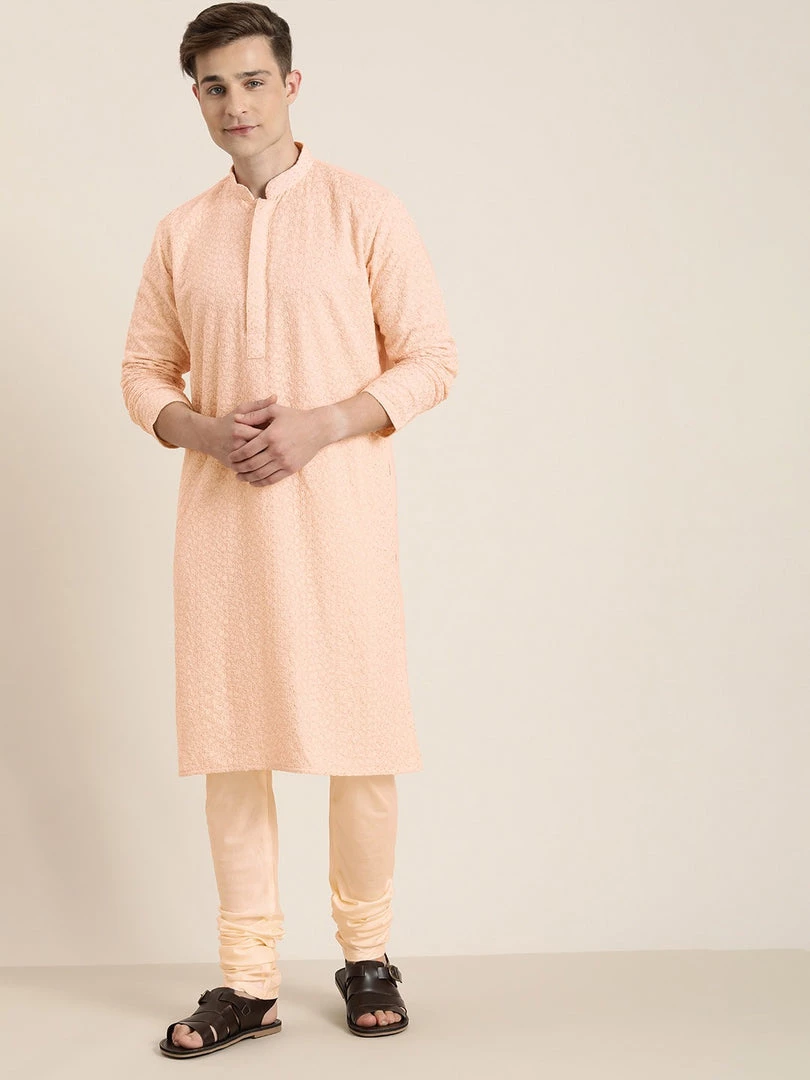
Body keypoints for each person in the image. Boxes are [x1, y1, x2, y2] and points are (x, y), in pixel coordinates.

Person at [120, 3, 458, 1059]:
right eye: (215, 87)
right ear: (196, 97)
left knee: (362, 743)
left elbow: (431, 358)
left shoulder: (365, 210)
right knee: (233, 745)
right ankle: (249, 979)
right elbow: (142, 374)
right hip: (222, 530)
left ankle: (368, 956)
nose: (237, 104)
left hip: (340, 522)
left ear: (292, 84)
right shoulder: (182, 231)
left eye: (254, 80)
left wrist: (323, 423)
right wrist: (204, 431)